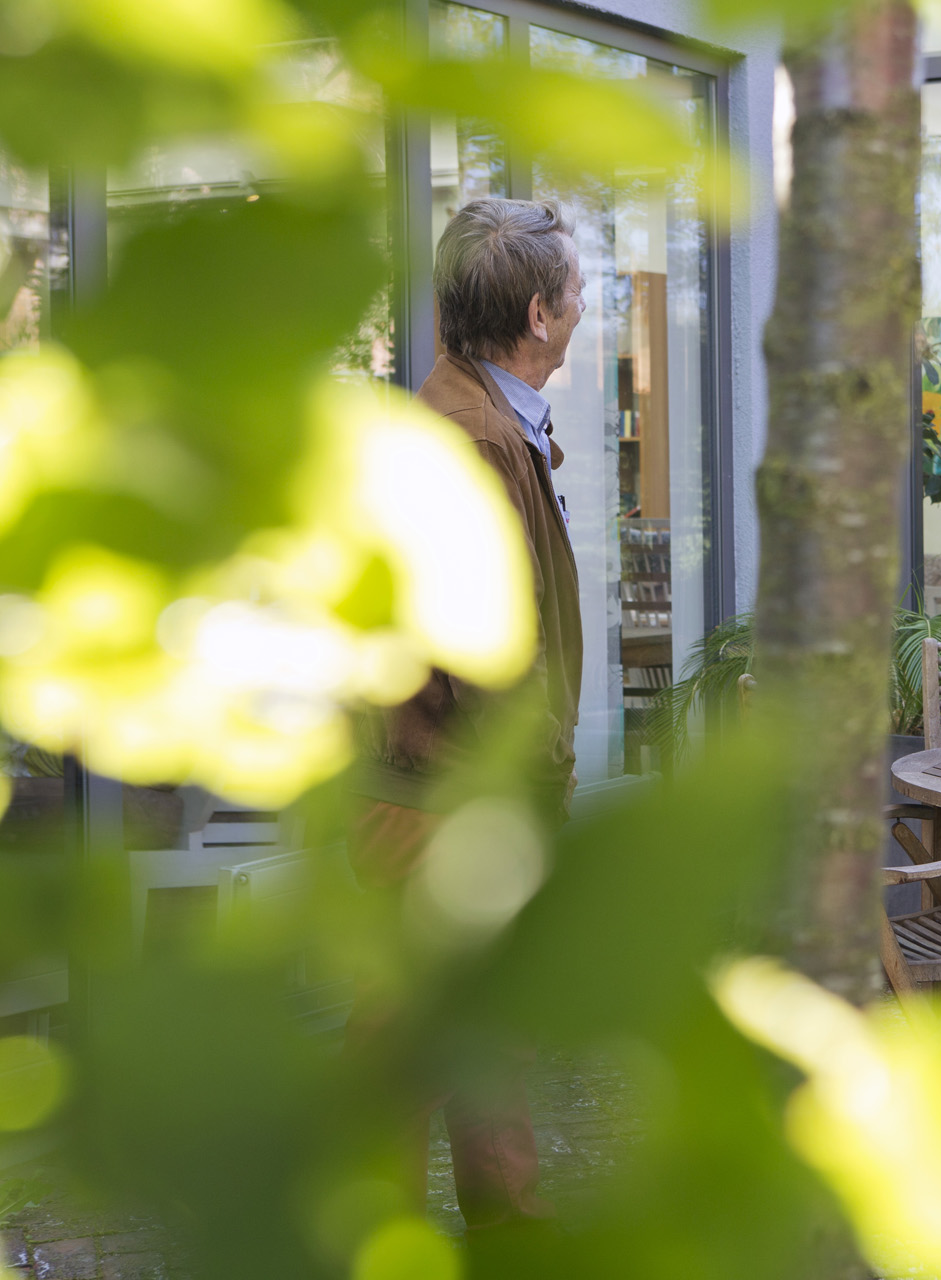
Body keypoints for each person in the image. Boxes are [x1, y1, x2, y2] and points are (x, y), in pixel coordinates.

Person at [350, 197, 585, 1231]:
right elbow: (484, 648)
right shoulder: (474, 437)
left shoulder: (477, 419)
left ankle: (509, 1236)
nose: (586, 304)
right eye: (577, 289)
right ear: (540, 314)